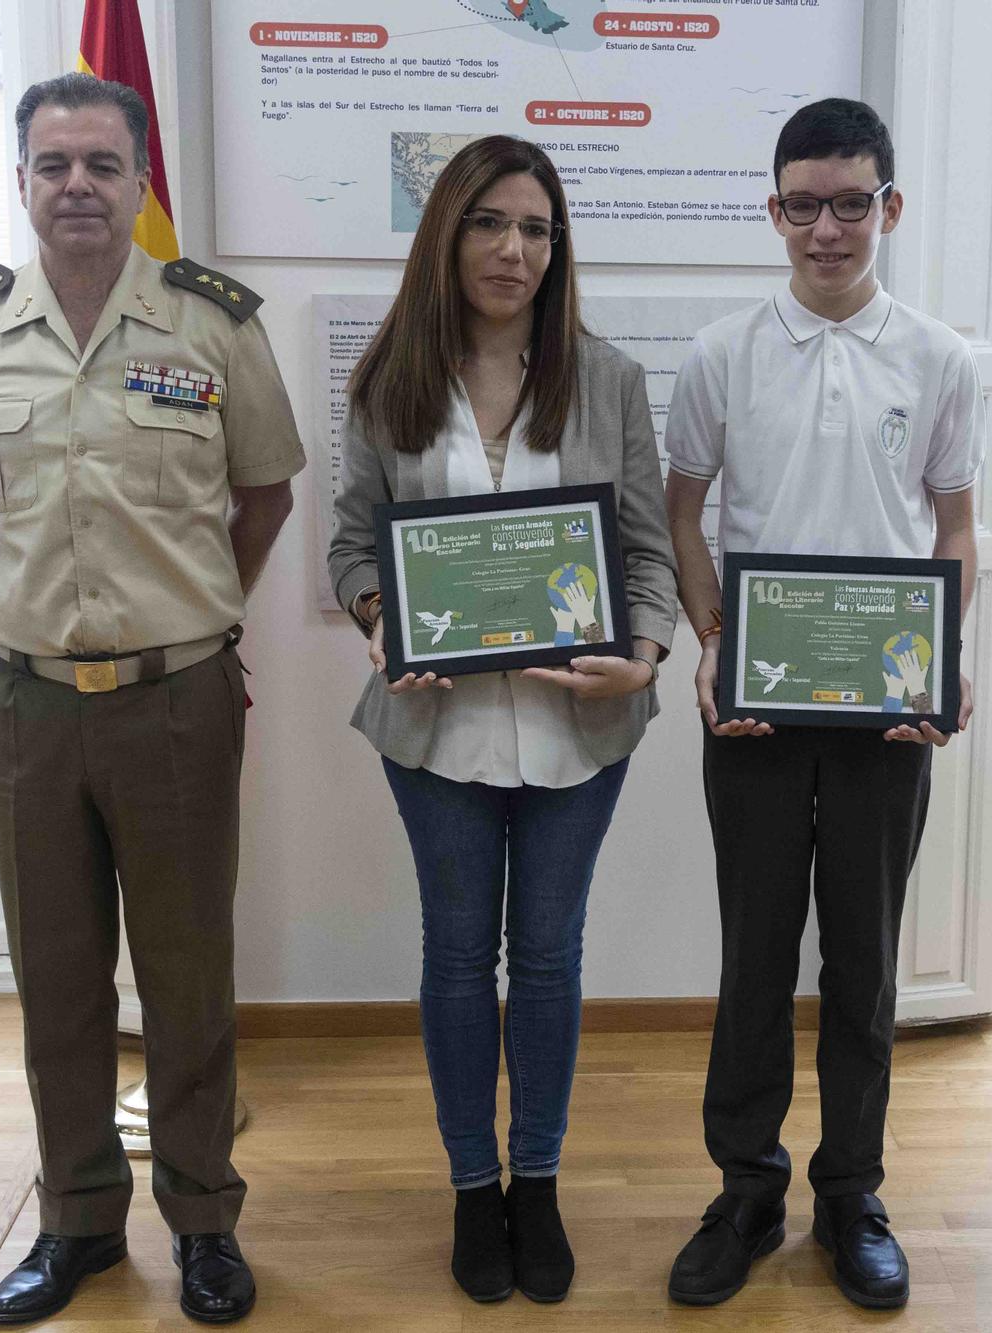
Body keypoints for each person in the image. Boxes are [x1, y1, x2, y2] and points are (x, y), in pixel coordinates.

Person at [0, 72, 303, 1326]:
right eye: (52, 165)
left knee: (188, 973)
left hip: (177, 698)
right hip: (24, 700)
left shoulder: (212, 327)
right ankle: (78, 1217)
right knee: (58, 973)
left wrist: (184, 609)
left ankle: (201, 1219)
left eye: (99, 163)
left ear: (140, 181)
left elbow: (263, 497)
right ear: (22, 183)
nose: (76, 185)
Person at [326, 135, 678, 1306]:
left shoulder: (608, 378)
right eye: (488, 223)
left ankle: (538, 1180)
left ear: (555, 247)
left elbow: (642, 547)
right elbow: (350, 543)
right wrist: (382, 617)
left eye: (534, 228)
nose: (512, 249)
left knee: (547, 957)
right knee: (453, 957)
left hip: (579, 732)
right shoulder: (386, 380)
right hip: (435, 732)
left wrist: (645, 655)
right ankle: (472, 1188)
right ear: (447, 235)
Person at [661, 98, 981, 1311]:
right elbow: (686, 514)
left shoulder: (938, 358)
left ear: (886, 208)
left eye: (851, 203)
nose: (826, 228)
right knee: (752, 960)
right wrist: (708, 642)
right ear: (773, 211)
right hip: (752, 703)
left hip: (886, 717)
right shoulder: (719, 353)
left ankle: (851, 1192)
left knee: (864, 963)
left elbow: (950, 527)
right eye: (802, 203)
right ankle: (745, 1188)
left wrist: (940, 658)